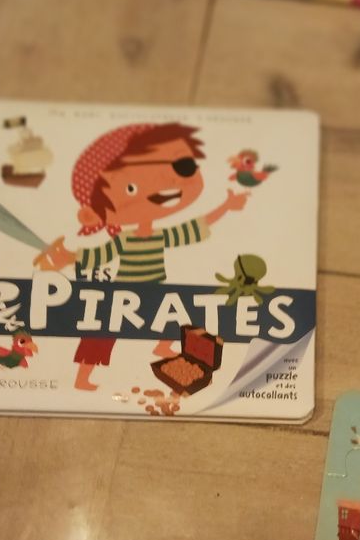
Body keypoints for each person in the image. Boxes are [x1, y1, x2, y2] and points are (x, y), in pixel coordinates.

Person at [35, 122, 250, 390]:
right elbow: (97, 255)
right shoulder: (124, 239)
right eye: (131, 189)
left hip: (155, 291)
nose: (159, 188)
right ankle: (81, 378)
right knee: (100, 334)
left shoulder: (161, 235)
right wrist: (68, 257)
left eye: (182, 167)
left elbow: (195, 228)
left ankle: (162, 347)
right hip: (124, 294)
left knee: (177, 317)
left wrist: (226, 206)